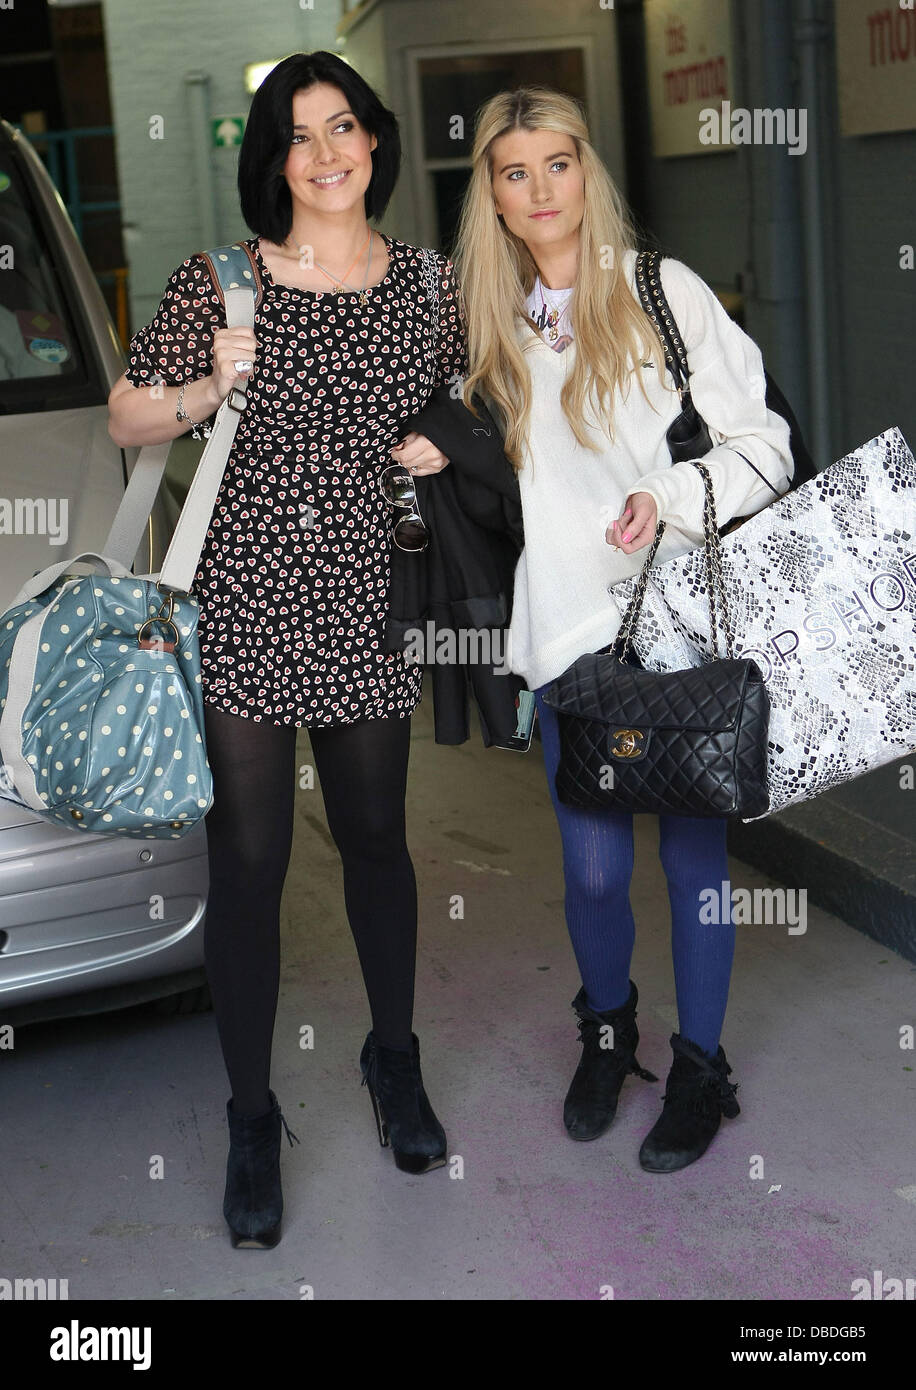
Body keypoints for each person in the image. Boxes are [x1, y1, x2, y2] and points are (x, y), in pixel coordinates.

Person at [107, 51, 465, 1249]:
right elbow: (124, 412)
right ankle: (252, 1115)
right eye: (300, 136)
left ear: (373, 142)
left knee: (374, 839)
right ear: (273, 161)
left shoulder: (425, 283)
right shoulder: (220, 281)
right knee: (250, 861)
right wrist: (204, 386)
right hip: (250, 597)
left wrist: (439, 441)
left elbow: (477, 403)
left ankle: (393, 1059)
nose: (327, 153)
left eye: (345, 128)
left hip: (366, 593)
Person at [449, 87, 793, 1172]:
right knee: (593, 872)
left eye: (557, 164)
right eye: (515, 171)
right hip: (564, 635)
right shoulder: (485, 323)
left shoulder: (661, 292)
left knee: (693, 861)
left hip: (678, 624)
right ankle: (607, 1031)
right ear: (493, 197)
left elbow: (765, 444)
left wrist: (672, 493)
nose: (540, 189)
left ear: (584, 172)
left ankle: (700, 1067)